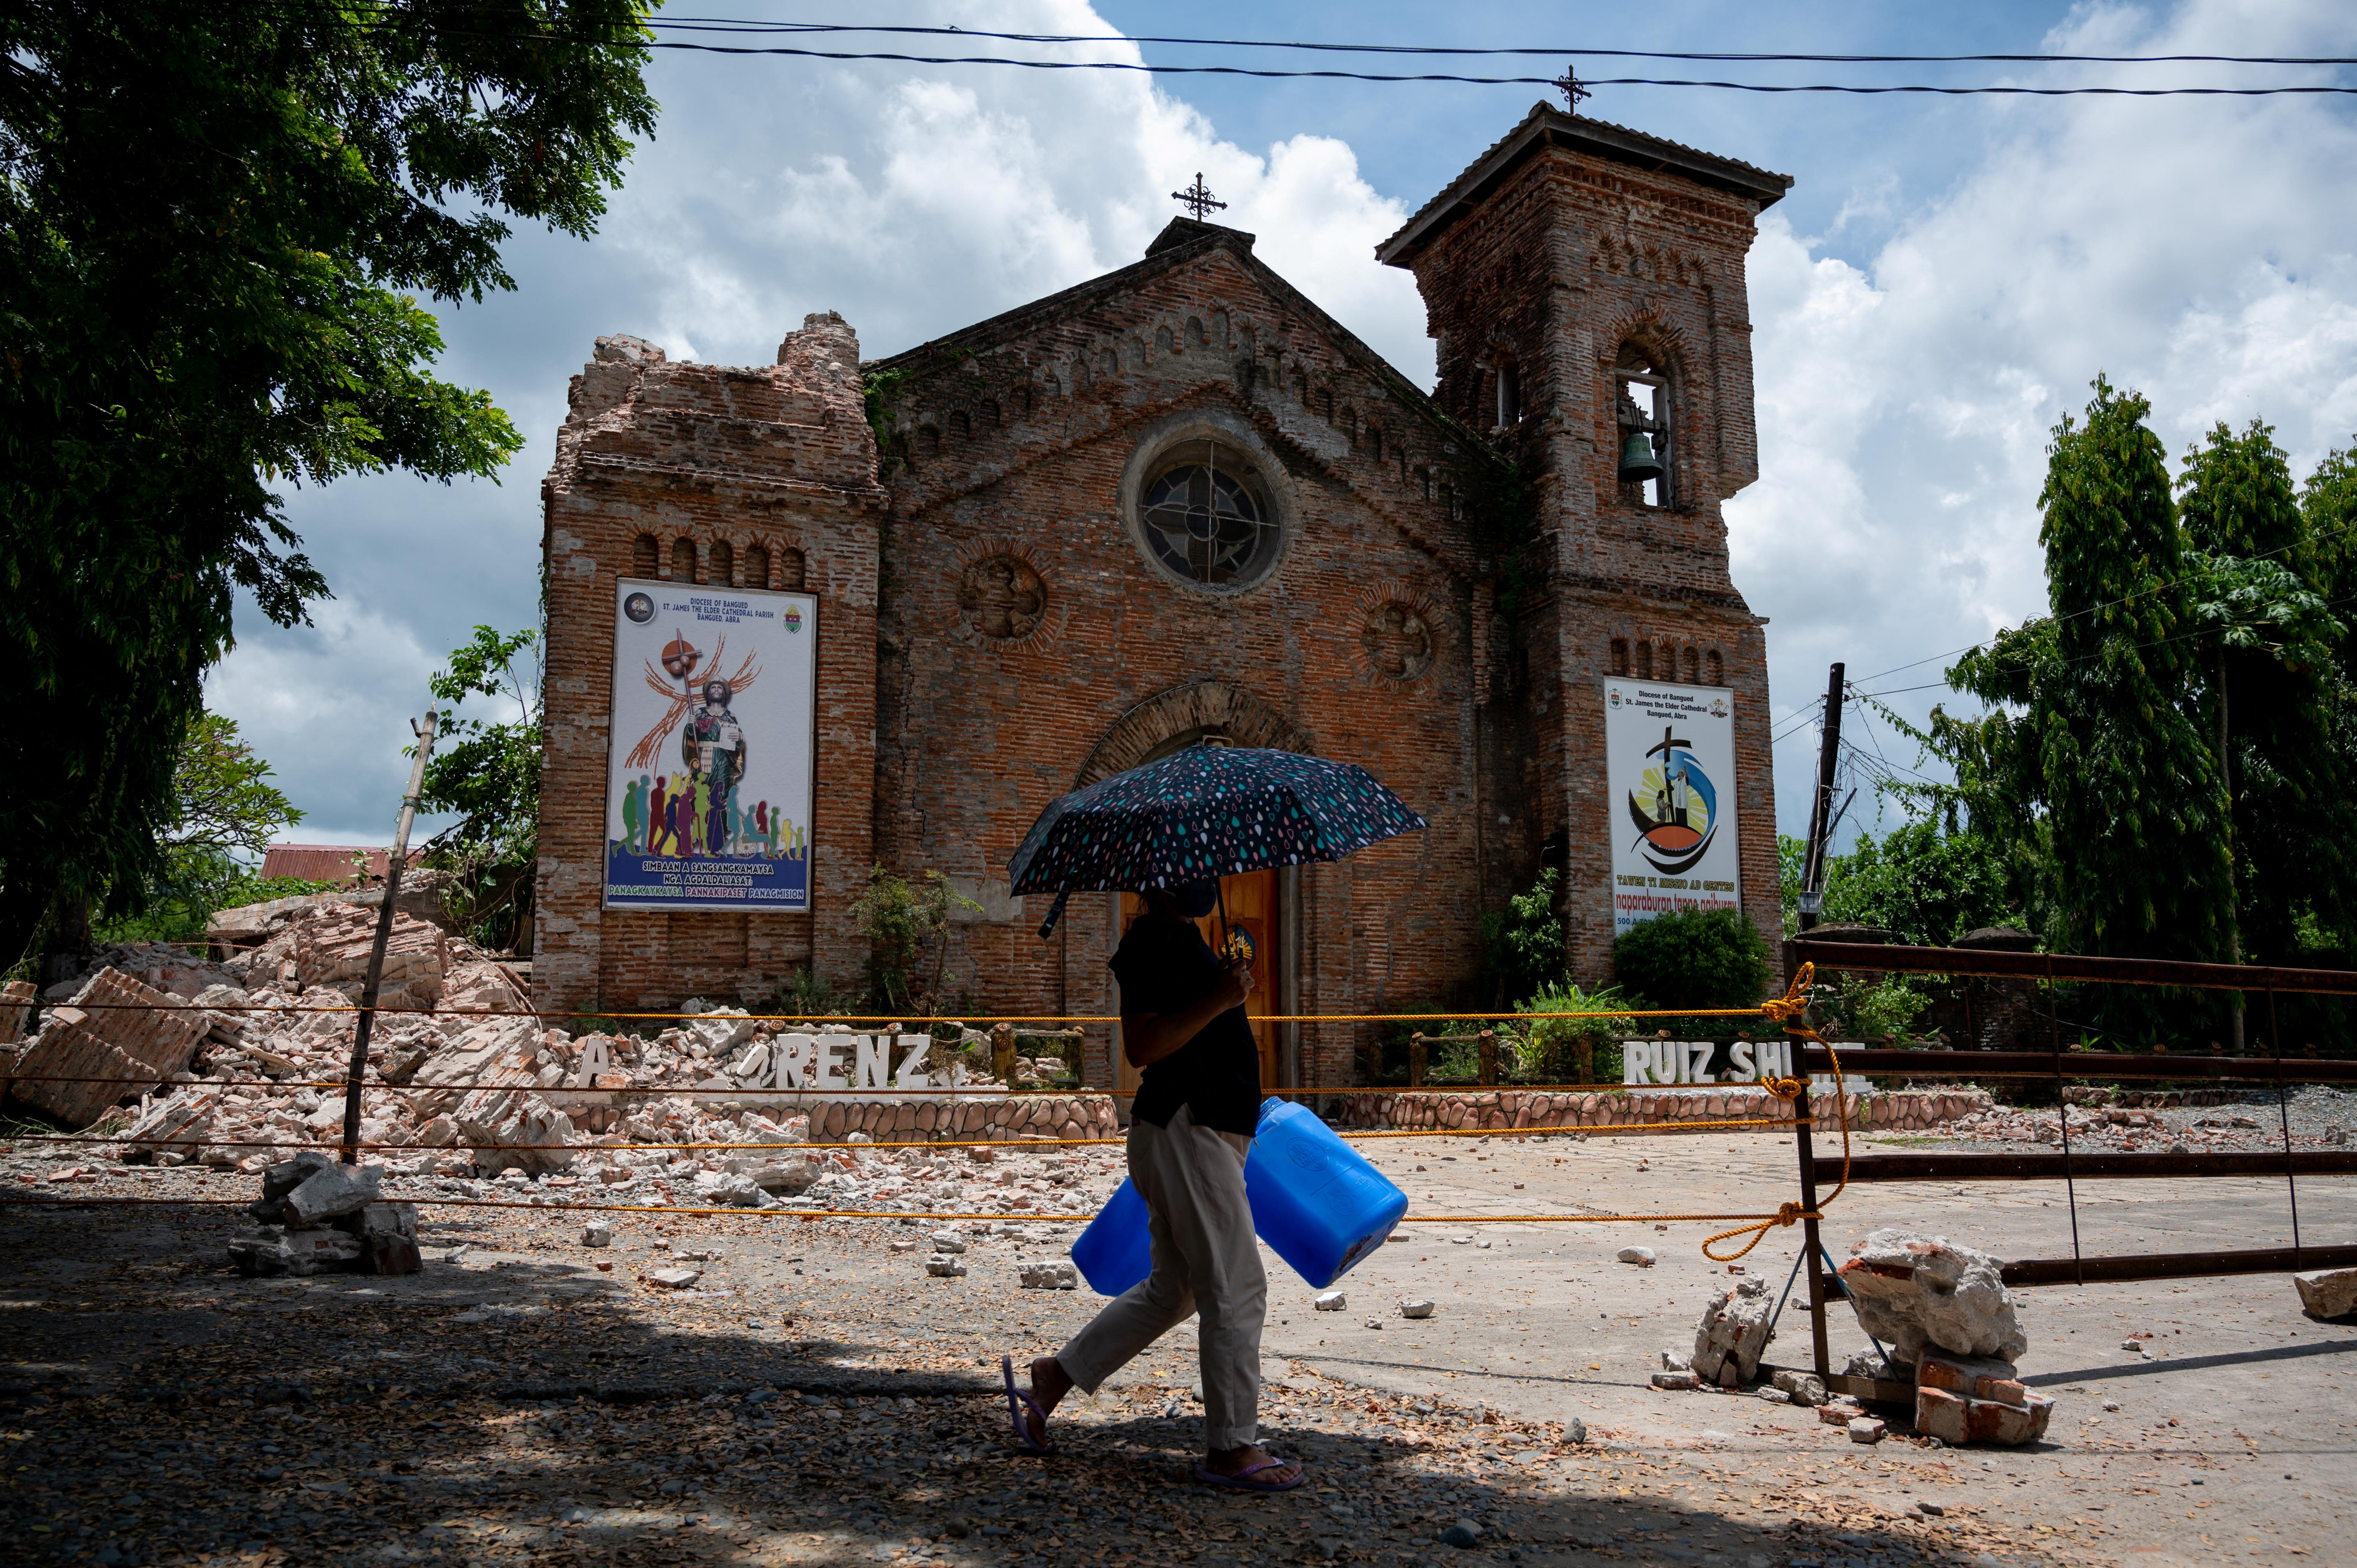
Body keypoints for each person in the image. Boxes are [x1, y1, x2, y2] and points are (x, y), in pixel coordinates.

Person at [1002, 880, 1301, 1493]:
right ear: (1159, 875)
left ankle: (1056, 1376)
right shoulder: (1150, 942)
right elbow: (1143, 1046)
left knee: (1178, 1290)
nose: (1207, 877)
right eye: (1196, 867)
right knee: (1235, 1287)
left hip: (1199, 1133)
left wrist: (1221, 987)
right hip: (1186, 1131)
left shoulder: (1183, 939)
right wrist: (1219, 998)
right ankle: (1231, 1449)